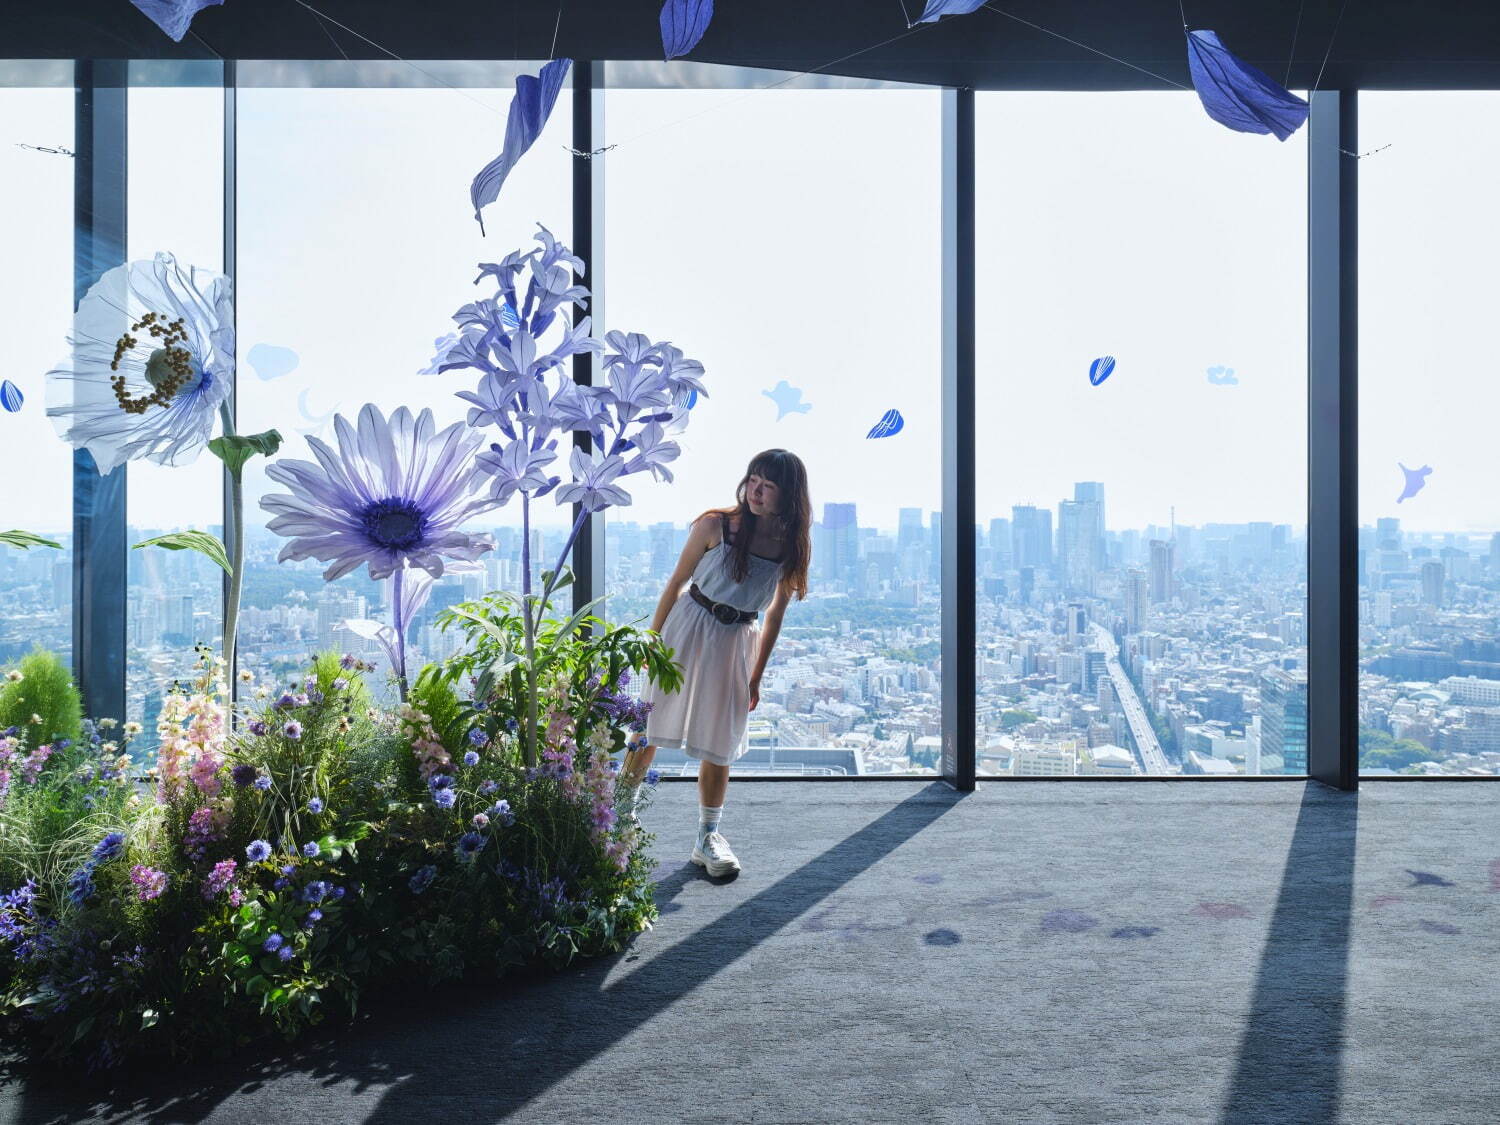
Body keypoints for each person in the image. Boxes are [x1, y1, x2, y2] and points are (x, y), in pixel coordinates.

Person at [619, 448, 812, 877]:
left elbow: (775, 614)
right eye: (754, 481)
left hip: (737, 639)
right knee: (649, 722)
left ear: (789, 495)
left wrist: (756, 677)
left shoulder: (791, 547)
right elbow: (677, 582)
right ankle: (619, 814)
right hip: (689, 625)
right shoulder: (715, 525)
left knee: (720, 737)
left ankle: (708, 837)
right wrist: (653, 639)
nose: (757, 492)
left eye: (769, 486)